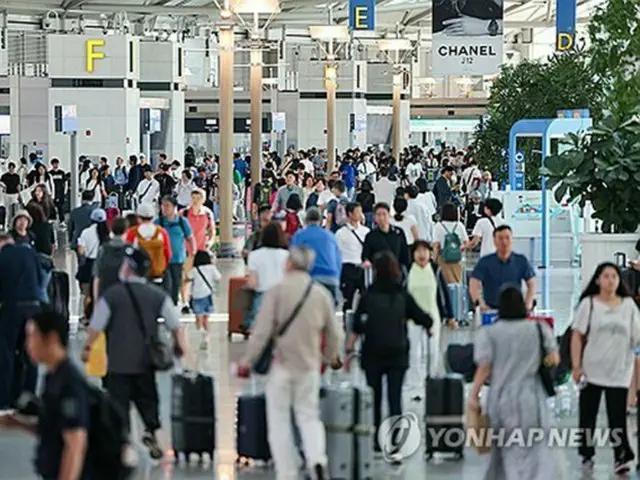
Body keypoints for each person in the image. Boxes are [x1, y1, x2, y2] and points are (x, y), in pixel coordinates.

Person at [237, 247, 343, 480]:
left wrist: (247, 361)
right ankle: (316, 459)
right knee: (309, 416)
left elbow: (261, 333)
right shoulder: (321, 295)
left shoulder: (276, 292)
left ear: (289, 265)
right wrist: (328, 358)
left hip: (282, 366)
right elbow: (335, 334)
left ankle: (287, 472)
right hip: (309, 366)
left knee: (279, 421)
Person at [83, 246, 187, 460]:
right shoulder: (156, 295)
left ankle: (123, 443)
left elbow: (96, 325)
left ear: (129, 268)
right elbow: (175, 324)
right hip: (145, 363)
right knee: (148, 399)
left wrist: (87, 347)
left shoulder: (113, 295)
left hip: (118, 364)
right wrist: (179, 346)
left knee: (118, 406)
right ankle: (150, 429)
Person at [345, 251, 433, 462]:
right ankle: (393, 442)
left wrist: (349, 349)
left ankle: (375, 440)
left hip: (372, 353)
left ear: (375, 271)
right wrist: (429, 326)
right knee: (395, 399)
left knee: (374, 398)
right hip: (397, 353)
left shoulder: (368, 296)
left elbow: (356, 326)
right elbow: (423, 317)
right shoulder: (401, 294)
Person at [469, 287, 562, 480]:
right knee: (533, 448)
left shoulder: (490, 332)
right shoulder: (538, 329)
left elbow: (484, 367)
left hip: (501, 397)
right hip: (531, 397)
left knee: (503, 448)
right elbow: (554, 358)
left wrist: (474, 394)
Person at [0, 307, 90, 480]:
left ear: (52, 338)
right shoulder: (53, 377)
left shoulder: (68, 383)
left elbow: (75, 444)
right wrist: (17, 423)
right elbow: (56, 428)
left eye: (32, 337)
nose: (27, 345)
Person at [571, 263, 640, 475]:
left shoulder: (628, 306)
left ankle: (621, 455)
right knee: (588, 415)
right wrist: (576, 365)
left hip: (619, 370)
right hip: (592, 370)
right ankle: (587, 453)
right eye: (606, 276)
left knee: (617, 415)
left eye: (614, 276)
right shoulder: (589, 304)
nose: (610, 280)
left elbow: (636, 337)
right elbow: (577, 336)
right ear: (598, 280)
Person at [406, 241, 455, 399]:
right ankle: (414, 383)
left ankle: (431, 379)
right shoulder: (407, 271)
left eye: (425, 251)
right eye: (418, 251)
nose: (422, 254)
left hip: (433, 315)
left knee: (433, 351)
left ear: (430, 253)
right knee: (414, 351)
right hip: (411, 319)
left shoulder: (436, 270)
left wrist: (450, 316)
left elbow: (444, 294)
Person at [0, 233, 42, 409]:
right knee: (30, 352)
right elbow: (40, 279)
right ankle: (28, 395)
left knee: (6, 352)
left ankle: (5, 398)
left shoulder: (2, 256)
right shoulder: (30, 253)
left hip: (12, 307)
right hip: (33, 306)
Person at [470, 225, 536, 312]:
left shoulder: (521, 260)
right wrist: (480, 304)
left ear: (512, 239)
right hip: (492, 309)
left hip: (516, 310)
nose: (504, 242)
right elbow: (474, 284)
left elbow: (531, 283)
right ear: (494, 241)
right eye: (500, 238)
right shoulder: (485, 262)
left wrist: (528, 302)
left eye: (507, 238)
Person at [290, 207, 342, 304]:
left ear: (305, 220)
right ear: (320, 220)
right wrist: (336, 279)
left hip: (308, 279)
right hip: (330, 278)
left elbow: (293, 258)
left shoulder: (299, 235)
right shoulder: (330, 236)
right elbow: (338, 260)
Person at [245, 222, 290, 329]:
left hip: (262, 298)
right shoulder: (287, 255)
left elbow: (252, 283)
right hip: (283, 297)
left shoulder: (254, 255)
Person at [155, 195, 196, 305]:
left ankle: (173, 305)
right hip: (163, 260)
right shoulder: (158, 222)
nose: (164, 208)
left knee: (176, 284)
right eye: (162, 206)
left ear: (174, 207)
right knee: (166, 285)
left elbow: (190, 238)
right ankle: (166, 306)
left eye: (167, 206)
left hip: (178, 259)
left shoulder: (182, 222)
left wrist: (193, 253)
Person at [335, 202, 370, 316]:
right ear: (350, 214)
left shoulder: (366, 231)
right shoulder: (341, 233)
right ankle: (347, 324)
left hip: (362, 268)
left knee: (365, 297)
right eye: (357, 212)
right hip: (347, 267)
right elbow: (336, 253)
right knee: (348, 298)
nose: (360, 214)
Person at [125, 203, 172, 285]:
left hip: (138, 274)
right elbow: (168, 254)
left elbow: (127, 253)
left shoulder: (132, 232)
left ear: (138, 217)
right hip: (157, 273)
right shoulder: (161, 232)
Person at [77, 208, 111, 319]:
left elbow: (81, 251)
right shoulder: (108, 235)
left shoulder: (86, 232)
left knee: (87, 294)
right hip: (103, 266)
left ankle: (86, 316)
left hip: (89, 265)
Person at [186, 250, 221, 350]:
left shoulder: (195, 270)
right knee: (206, 318)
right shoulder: (211, 268)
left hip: (197, 297)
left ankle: (203, 334)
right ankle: (207, 337)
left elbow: (187, 277)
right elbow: (219, 277)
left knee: (198, 319)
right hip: (208, 296)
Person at [362, 202, 411, 273]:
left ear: (389, 215)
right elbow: (366, 255)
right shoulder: (370, 235)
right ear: (374, 217)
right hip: (378, 273)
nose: (381, 218)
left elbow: (405, 254)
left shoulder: (398, 232)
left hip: (397, 272)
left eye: (384, 214)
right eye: (378, 215)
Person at [93, 216, 128, 300]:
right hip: (125, 294)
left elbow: (97, 276)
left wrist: (96, 300)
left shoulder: (103, 249)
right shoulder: (130, 250)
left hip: (106, 292)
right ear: (126, 230)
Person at [433, 202, 469, 284]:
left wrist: (433, 259)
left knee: (445, 283)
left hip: (443, 257)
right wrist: (458, 249)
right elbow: (466, 242)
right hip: (457, 258)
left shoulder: (438, 226)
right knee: (457, 281)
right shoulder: (459, 225)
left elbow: (436, 245)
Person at [48, 158, 67, 225]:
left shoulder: (62, 172)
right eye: (54, 164)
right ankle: (52, 219)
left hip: (60, 193)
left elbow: (65, 183)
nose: (55, 165)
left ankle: (62, 221)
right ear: (52, 164)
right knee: (51, 206)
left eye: (56, 163)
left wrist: (65, 192)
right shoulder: (50, 173)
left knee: (60, 207)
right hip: (53, 192)